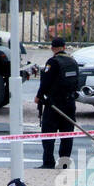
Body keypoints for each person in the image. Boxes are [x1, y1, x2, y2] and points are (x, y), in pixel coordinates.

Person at [36, 37, 80, 169]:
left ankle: (48, 163)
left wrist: (38, 96)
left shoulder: (52, 62)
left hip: (54, 105)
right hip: (70, 103)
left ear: (52, 48)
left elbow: (46, 82)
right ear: (64, 47)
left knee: (48, 134)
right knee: (67, 135)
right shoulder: (73, 62)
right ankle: (64, 164)